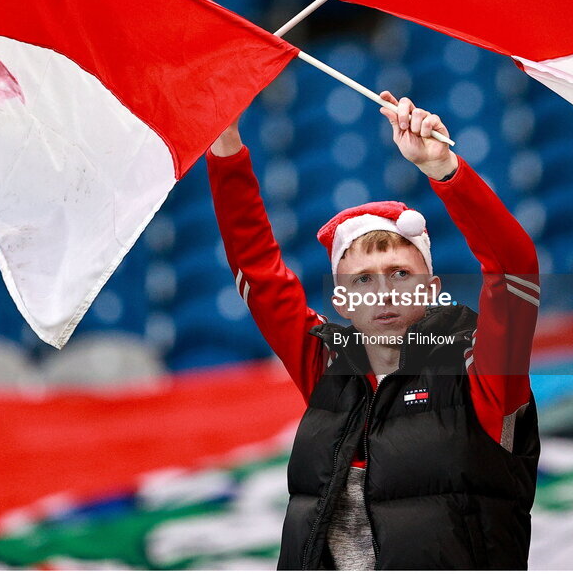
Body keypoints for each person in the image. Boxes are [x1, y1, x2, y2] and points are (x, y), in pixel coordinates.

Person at [206, 91, 541, 570]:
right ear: (341, 298)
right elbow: (258, 272)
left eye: (401, 273)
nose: (383, 291)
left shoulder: (480, 369)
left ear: (432, 288)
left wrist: (444, 169)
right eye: (362, 279)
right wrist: (225, 145)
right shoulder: (327, 362)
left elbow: (514, 270)